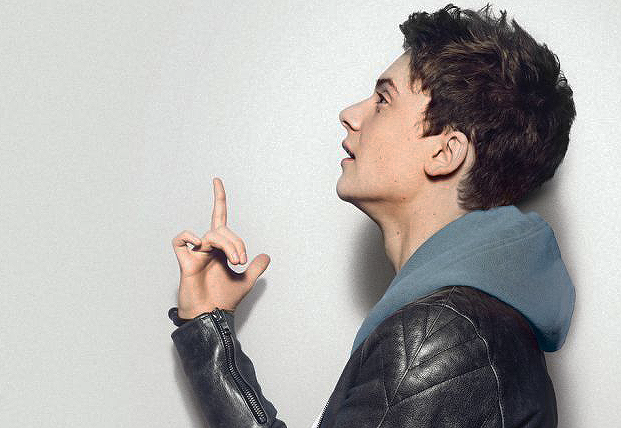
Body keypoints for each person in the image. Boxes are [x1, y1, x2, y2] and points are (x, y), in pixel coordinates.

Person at [167, 3, 576, 427]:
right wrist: (207, 325)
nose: (350, 114)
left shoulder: (436, 338)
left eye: (383, 99)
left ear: (445, 152)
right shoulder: (474, 328)